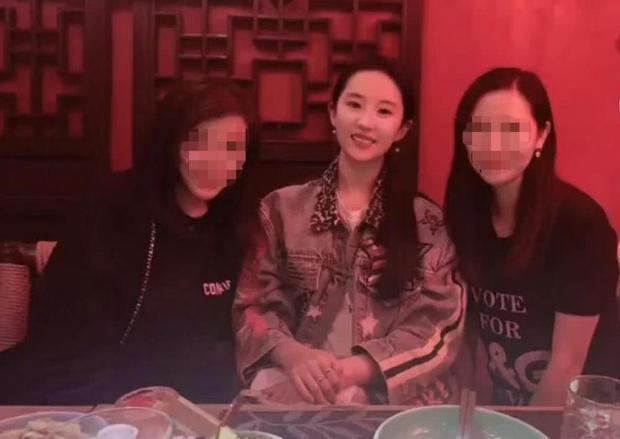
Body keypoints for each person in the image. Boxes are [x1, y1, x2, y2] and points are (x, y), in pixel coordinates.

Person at [0, 78, 258, 404]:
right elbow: (69, 338)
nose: (214, 161)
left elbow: (234, 336)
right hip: (99, 399)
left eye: (231, 149)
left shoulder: (237, 223)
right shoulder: (114, 207)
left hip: (199, 406)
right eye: (199, 143)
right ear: (170, 142)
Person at [232, 56, 466, 405]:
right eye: (354, 105)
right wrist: (294, 356)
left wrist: (355, 372)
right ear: (332, 113)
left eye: (384, 111)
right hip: (299, 385)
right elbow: (253, 307)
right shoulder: (280, 210)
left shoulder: (429, 225)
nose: (365, 122)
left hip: (391, 400)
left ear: (402, 129)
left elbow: (438, 329)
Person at [445, 67, 620, 406]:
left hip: (587, 413)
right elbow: (465, 339)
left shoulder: (578, 224)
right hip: (511, 405)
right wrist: (466, 418)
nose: (494, 145)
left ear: (541, 135)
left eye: (511, 130)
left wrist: (525, 428)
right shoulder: (465, 214)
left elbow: (567, 365)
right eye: (480, 130)